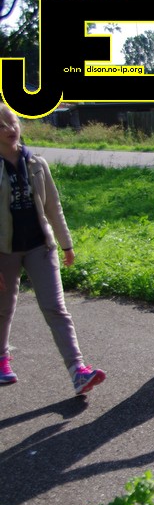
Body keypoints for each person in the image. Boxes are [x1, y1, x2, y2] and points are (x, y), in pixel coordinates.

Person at [0, 104, 106, 395]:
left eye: (12, 123)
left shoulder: (36, 163)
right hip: (4, 251)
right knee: (4, 308)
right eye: (1, 126)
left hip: (40, 246)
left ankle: (78, 370)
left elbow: (53, 207)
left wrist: (66, 244)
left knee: (56, 308)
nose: (9, 129)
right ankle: (1, 358)